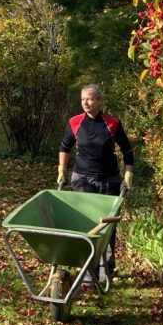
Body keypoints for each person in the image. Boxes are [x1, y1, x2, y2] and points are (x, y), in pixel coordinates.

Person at [58, 83, 134, 278]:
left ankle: (106, 270)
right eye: (83, 99)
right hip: (82, 179)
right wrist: (61, 171)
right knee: (87, 223)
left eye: (90, 98)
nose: (85, 102)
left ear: (99, 101)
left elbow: (127, 150)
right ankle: (88, 271)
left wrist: (127, 176)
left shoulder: (112, 123)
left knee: (108, 224)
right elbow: (65, 147)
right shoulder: (75, 122)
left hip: (109, 180)